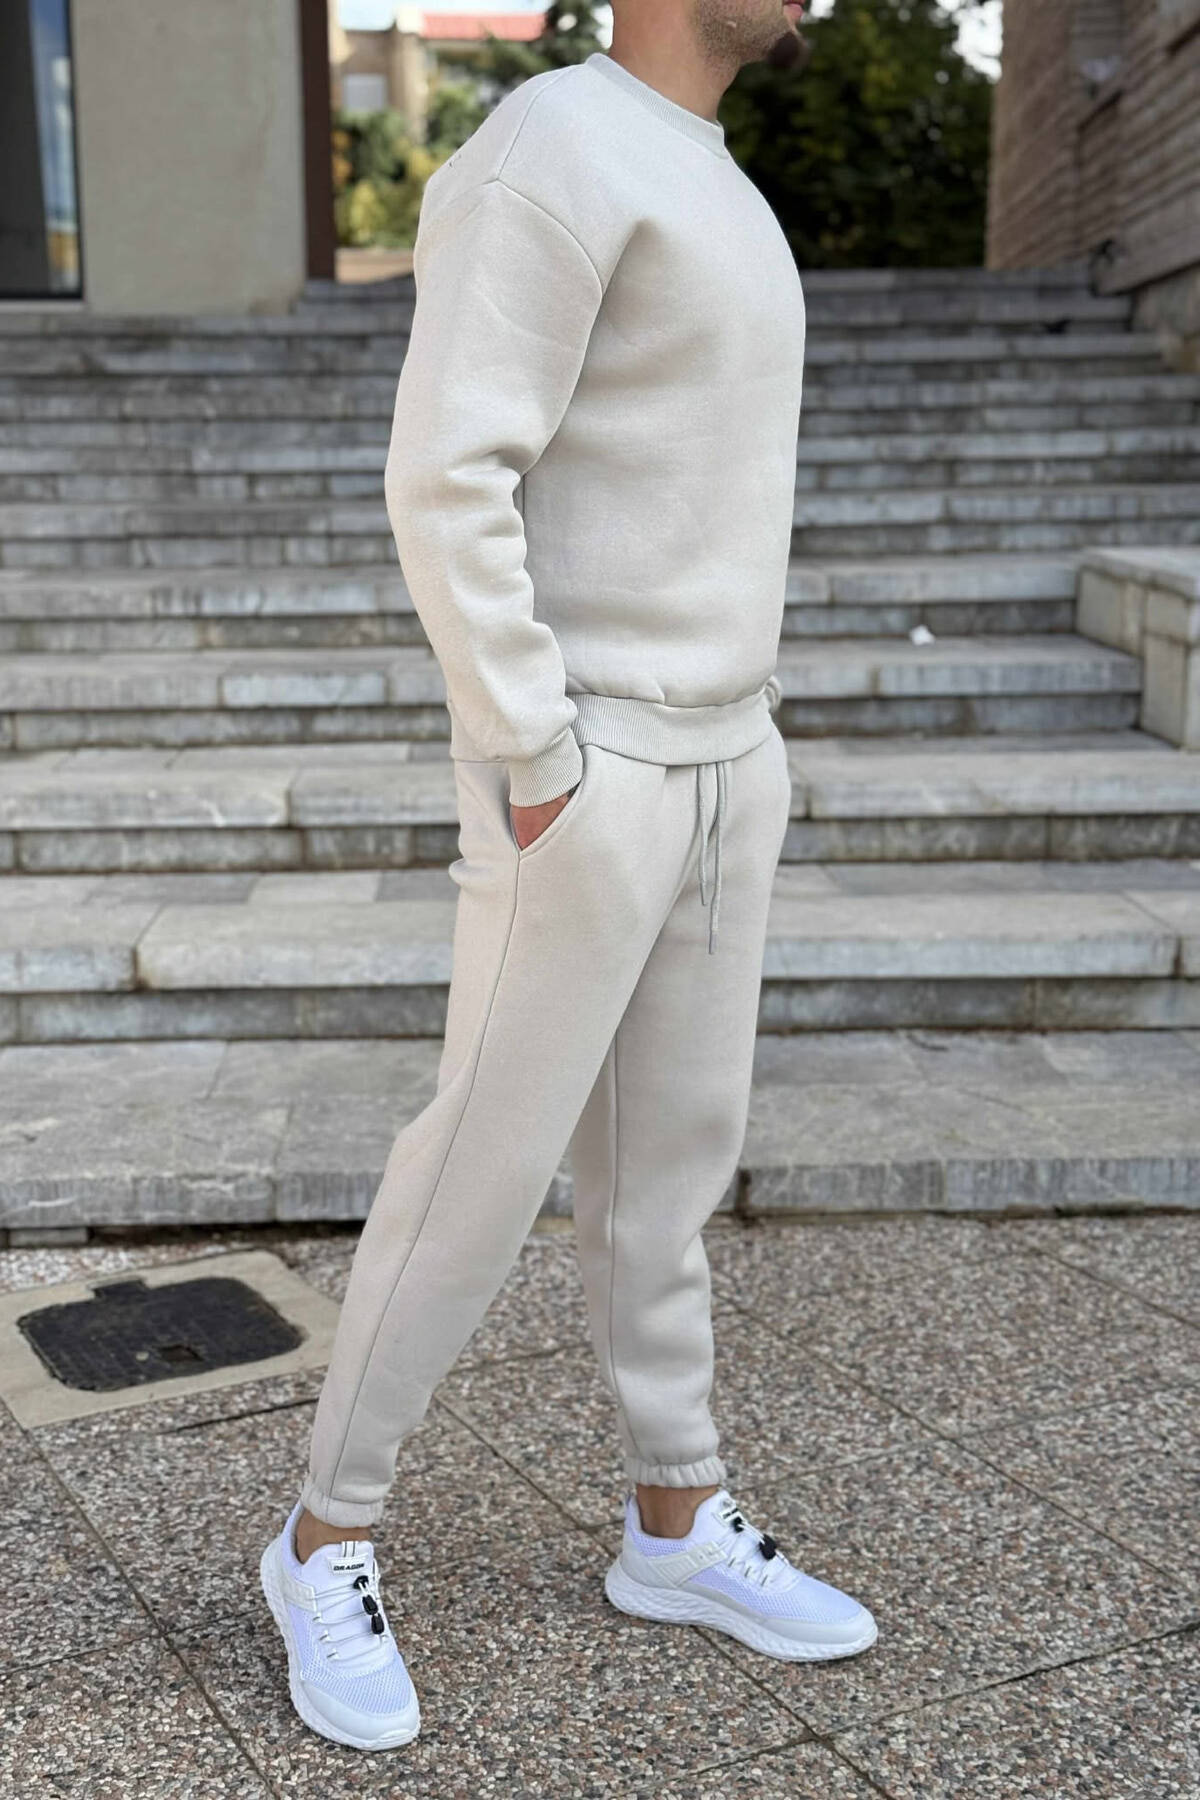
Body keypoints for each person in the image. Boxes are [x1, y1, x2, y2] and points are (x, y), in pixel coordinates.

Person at [260, 0, 876, 1752]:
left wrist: (749, 751)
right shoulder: (551, 145)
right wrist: (534, 752)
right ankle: (321, 1542)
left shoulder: (714, 178)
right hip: (590, 759)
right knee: (477, 1170)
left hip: (726, 756)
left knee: (667, 1175)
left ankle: (674, 1521)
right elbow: (446, 470)